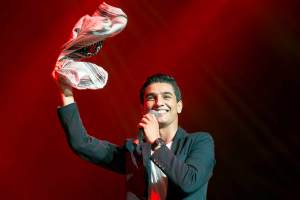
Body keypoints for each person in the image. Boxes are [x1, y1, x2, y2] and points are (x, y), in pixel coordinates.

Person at [55, 73, 216, 200]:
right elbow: (81, 143)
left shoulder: (199, 141)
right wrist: (65, 91)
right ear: (143, 108)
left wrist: (156, 141)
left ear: (179, 106)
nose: (159, 102)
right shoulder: (134, 150)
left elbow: (189, 181)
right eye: (151, 98)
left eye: (166, 96)